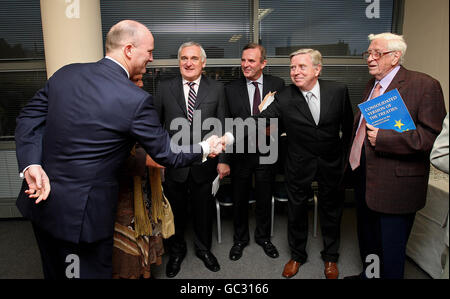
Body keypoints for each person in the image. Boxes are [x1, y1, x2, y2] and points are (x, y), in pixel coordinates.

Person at [14, 20, 224, 279]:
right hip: (84, 217)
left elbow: (27, 118)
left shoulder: (66, 73)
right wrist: (205, 147)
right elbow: (167, 154)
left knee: (55, 271)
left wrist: (30, 163)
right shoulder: (133, 99)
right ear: (128, 50)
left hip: (43, 207)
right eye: (148, 51)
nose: (151, 58)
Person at [345, 33, 446, 279]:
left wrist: (385, 139)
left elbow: (431, 139)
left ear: (395, 56)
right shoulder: (372, 85)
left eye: (376, 53)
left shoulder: (424, 85)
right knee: (368, 240)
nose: (369, 58)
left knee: (391, 251)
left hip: (396, 185)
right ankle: (369, 276)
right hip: (364, 177)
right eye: (367, 53)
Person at [257, 48, 354, 279]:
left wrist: (345, 160)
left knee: (332, 211)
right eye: (292, 67)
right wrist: (229, 136)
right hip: (298, 164)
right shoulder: (285, 97)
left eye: (302, 67)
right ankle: (297, 255)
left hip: (331, 163)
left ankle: (331, 257)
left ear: (317, 69)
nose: (295, 72)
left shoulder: (338, 91)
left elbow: (348, 128)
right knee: (296, 211)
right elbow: (260, 120)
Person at [153, 41, 228, 277]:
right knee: (175, 211)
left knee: (203, 210)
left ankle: (204, 249)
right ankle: (176, 252)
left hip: (205, 164)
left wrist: (224, 159)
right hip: (173, 164)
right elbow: (156, 127)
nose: (188, 63)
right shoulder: (164, 87)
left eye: (194, 58)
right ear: (179, 62)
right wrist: (158, 160)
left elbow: (223, 125)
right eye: (184, 58)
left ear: (203, 63)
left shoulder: (216, 89)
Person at [224, 43, 284, 261]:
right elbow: (227, 123)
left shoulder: (277, 84)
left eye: (251, 61)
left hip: (268, 149)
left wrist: (276, 127)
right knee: (239, 198)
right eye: (243, 60)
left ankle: (264, 238)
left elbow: (283, 116)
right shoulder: (230, 89)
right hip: (240, 152)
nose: (245, 65)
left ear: (263, 63)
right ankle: (240, 240)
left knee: (264, 196)